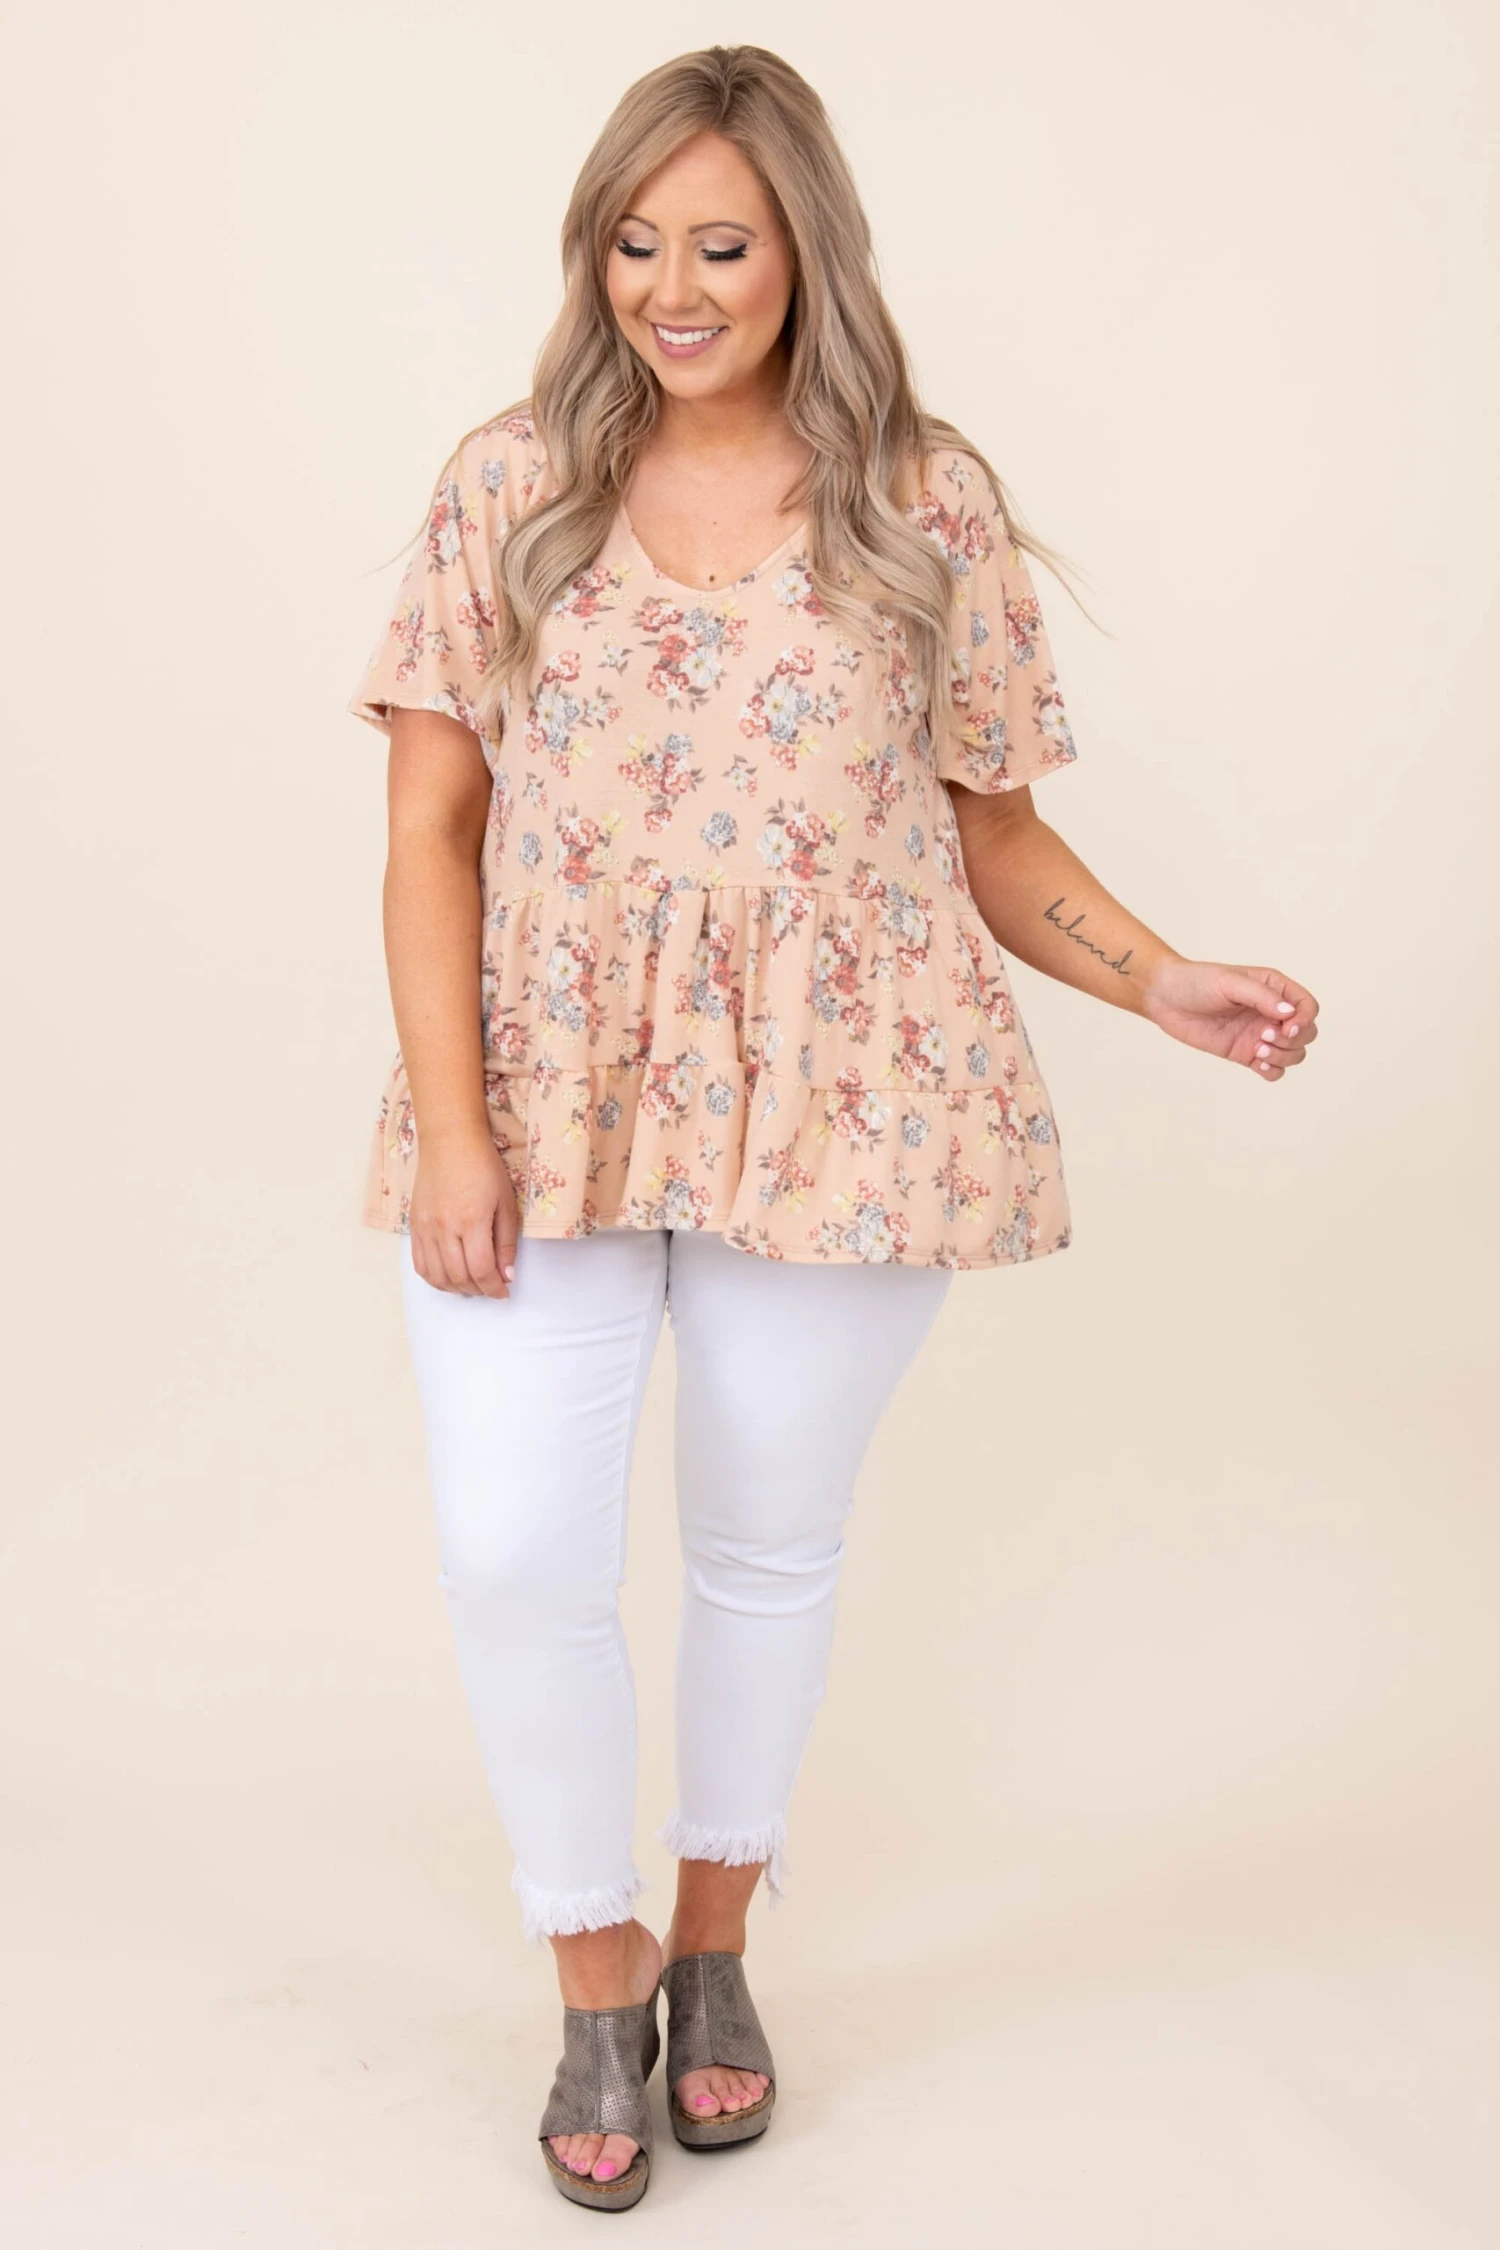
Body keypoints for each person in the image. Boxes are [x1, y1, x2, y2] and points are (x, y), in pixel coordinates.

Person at [346, 43, 1320, 2213]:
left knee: (766, 1541)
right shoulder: (511, 482)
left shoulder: (922, 500)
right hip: (548, 1084)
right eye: (636, 244)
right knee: (515, 1551)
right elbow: (428, 831)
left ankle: (712, 1956)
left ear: (808, 255)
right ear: (592, 255)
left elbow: (995, 834)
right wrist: (455, 1127)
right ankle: (591, 1974)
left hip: (852, 1088)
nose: (674, 290)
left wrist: (1162, 978)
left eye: (723, 245)